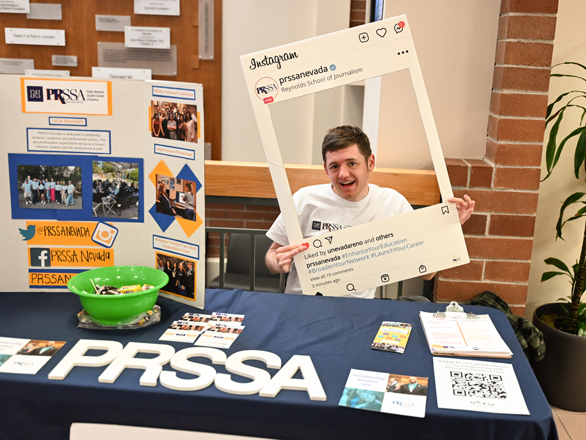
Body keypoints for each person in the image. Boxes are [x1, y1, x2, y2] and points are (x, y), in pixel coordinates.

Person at [265, 125, 475, 298]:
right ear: (326, 169)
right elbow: (271, 255)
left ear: (370, 162)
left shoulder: (392, 203)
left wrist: (448, 229)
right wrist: (279, 263)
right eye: (334, 166)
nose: (343, 173)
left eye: (352, 163)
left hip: (358, 310)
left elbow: (427, 274)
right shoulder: (304, 199)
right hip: (302, 304)